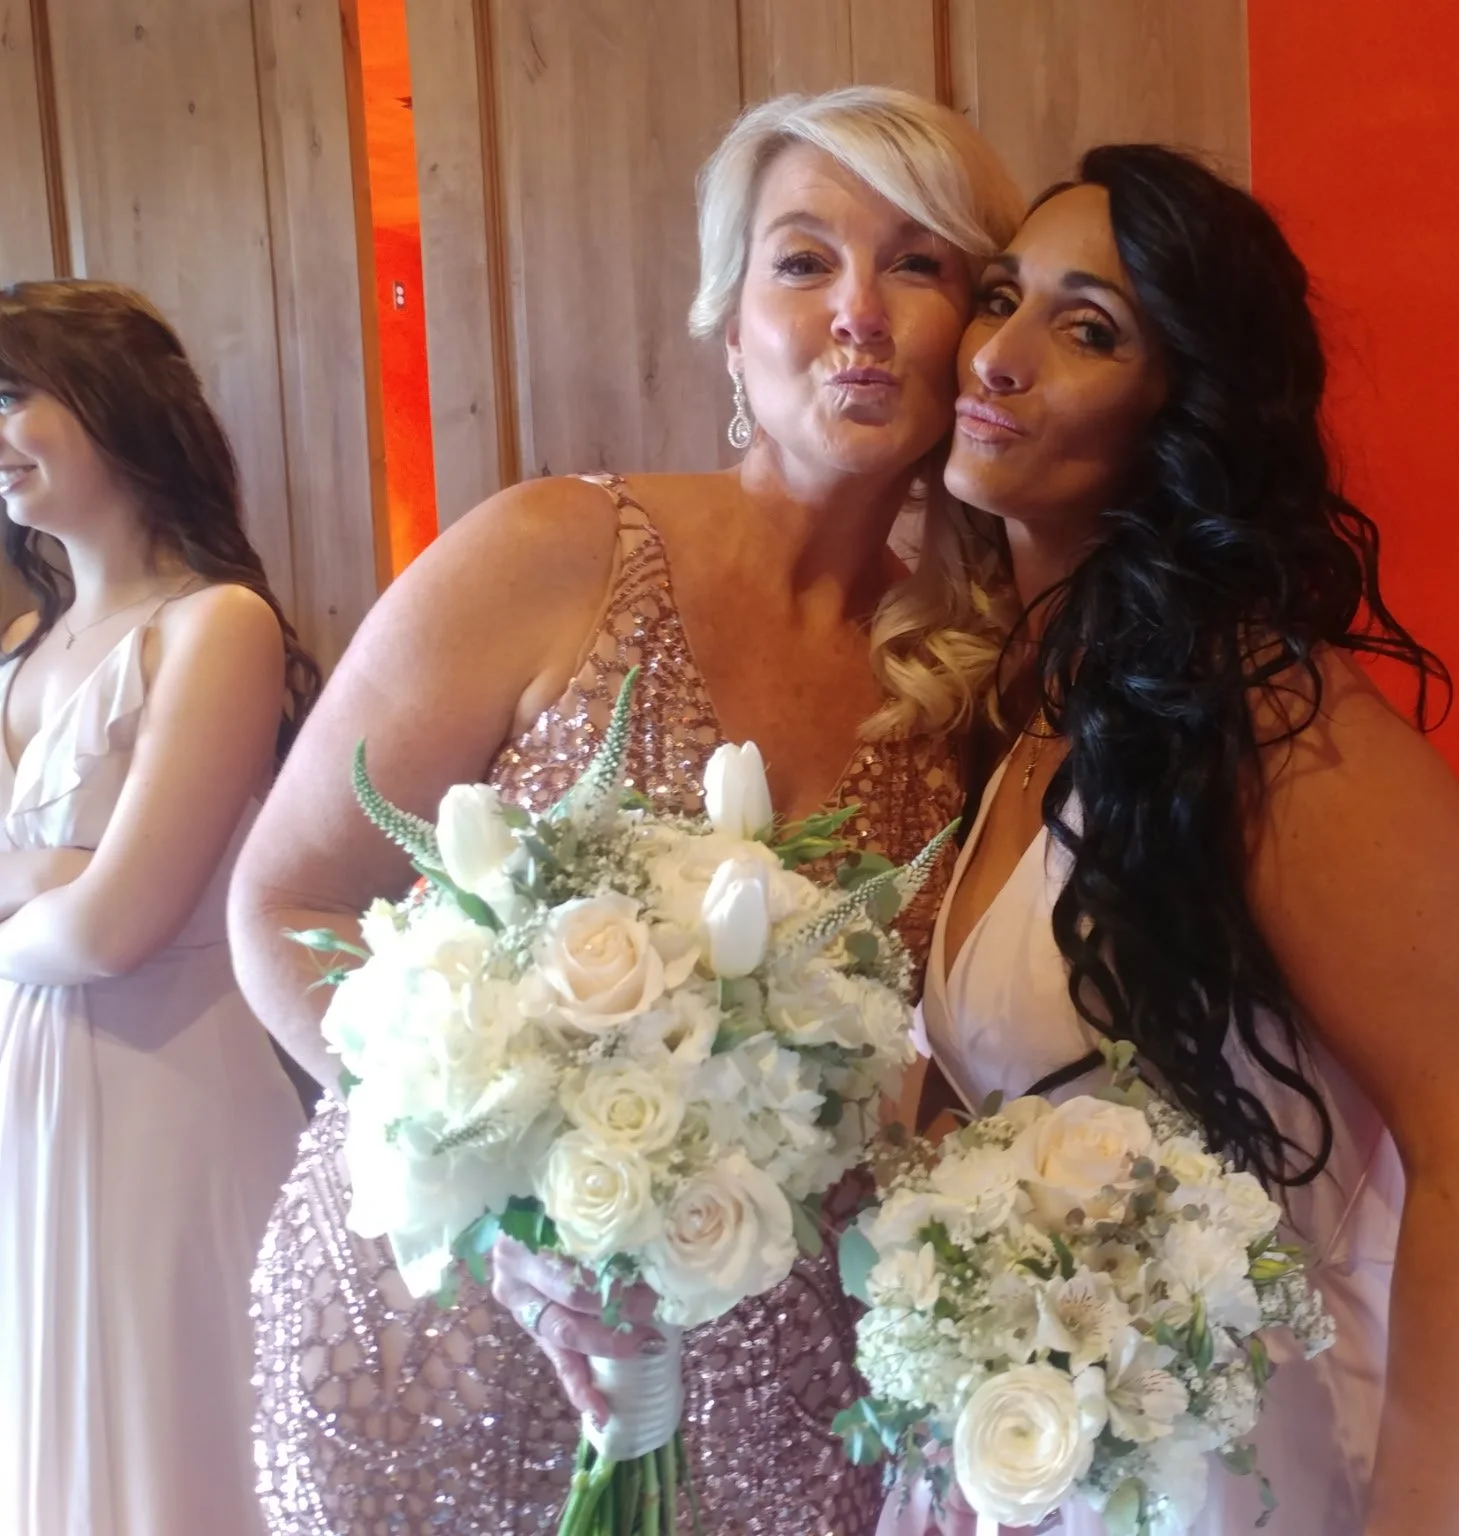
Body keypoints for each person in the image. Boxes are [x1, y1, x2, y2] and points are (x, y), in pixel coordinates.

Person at [232, 87, 1022, 1535]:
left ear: (974, 328)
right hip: (450, 1323)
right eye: (803, 261)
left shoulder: (974, 681)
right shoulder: (556, 550)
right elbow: (288, 896)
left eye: (916, 265)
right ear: (733, 326)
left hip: (775, 1373)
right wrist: (499, 1189)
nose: (858, 311)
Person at [896, 146, 1459, 1534]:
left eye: (1085, 330)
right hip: (1053, 1472)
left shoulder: (1270, 723)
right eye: (1002, 297)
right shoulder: (1026, 720)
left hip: (1272, 1479)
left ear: (1180, 406)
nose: (998, 355)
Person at [0, 279, 319, 1536]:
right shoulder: (24, 649)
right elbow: (71, 903)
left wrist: (49, 891)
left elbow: (119, 927)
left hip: (167, 1089)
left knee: (173, 1426)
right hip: (26, 1087)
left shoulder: (214, 627)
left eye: (14, 395)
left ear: (112, 401)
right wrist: (59, 882)